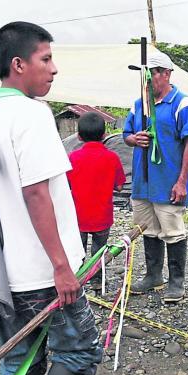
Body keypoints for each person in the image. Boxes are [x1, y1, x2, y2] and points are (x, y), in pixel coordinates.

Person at [0, 21, 102, 375]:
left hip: (5, 270)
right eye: (46, 58)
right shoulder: (30, 113)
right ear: (19, 64)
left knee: (22, 362)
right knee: (79, 350)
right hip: (42, 271)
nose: (54, 69)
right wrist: (61, 265)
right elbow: (36, 193)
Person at [123, 50, 188, 303]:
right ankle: (153, 275)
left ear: (166, 74)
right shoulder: (138, 105)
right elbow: (126, 134)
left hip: (168, 181)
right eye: (143, 76)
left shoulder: (182, 103)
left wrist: (182, 181)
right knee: (146, 229)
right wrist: (134, 139)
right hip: (142, 183)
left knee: (173, 231)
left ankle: (176, 281)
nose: (146, 81)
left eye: (151, 74)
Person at [67, 112, 125, 290]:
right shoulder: (112, 158)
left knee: (78, 250)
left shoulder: (72, 158)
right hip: (102, 216)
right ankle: (97, 280)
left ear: (78, 136)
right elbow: (120, 187)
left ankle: (78, 281)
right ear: (104, 135)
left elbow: (65, 184)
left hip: (78, 216)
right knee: (99, 249)